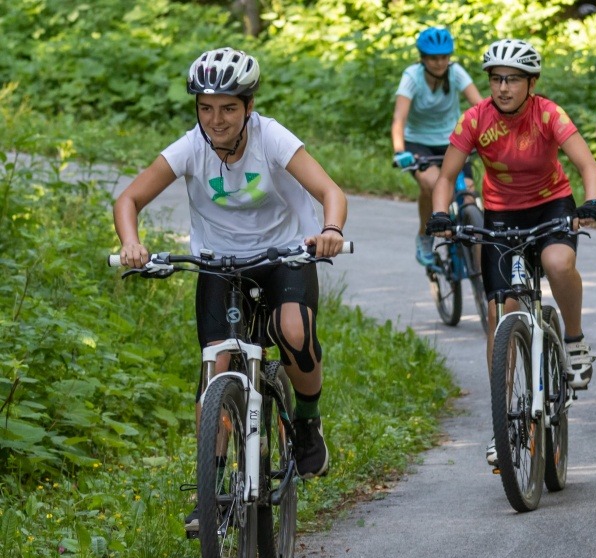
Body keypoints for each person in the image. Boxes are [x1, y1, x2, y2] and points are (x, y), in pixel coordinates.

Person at [112, 47, 348, 529]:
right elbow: (129, 199)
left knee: (294, 332)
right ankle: (212, 490)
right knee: (215, 368)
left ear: (248, 107)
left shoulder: (271, 137)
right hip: (218, 264)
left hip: (284, 255)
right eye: (205, 107)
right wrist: (131, 243)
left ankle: (308, 424)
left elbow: (331, 192)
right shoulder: (190, 147)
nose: (215, 120)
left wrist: (331, 230)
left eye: (227, 108)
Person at [425, 39, 596, 465]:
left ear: (531, 84)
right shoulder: (475, 119)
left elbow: (587, 165)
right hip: (502, 215)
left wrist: (591, 202)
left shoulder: (548, 114)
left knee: (557, 262)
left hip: (551, 205)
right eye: (496, 79)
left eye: (513, 80)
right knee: (499, 314)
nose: (503, 88)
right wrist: (440, 213)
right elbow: (446, 177)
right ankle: (503, 426)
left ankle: (574, 341)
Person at [391, 26, 483, 266]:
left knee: (468, 197)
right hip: (418, 143)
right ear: (423, 58)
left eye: (444, 57)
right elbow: (399, 118)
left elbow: (481, 106)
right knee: (432, 185)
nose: (440, 62)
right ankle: (425, 237)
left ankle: (478, 263)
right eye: (433, 58)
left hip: (454, 140)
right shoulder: (412, 77)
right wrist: (400, 151)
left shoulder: (456, 72)